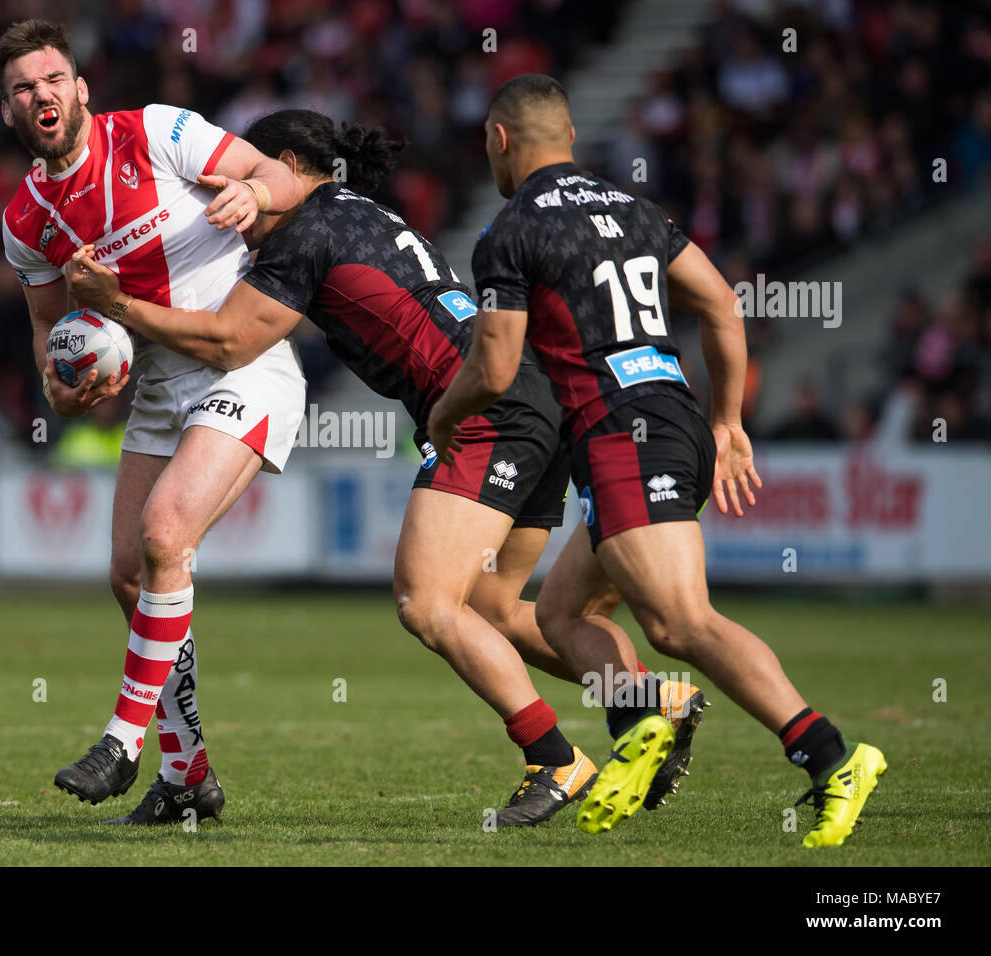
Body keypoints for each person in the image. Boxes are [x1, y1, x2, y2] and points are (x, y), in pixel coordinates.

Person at [68, 108, 705, 827]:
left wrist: (115, 302)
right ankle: (648, 700)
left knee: (425, 604)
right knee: (493, 610)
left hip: (482, 410)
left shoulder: (304, 229)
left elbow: (227, 343)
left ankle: (554, 758)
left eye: (249, 174)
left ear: (288, 163)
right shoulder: (350, 210)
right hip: (534, 401)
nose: (233, 197)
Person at [428, 74, 885, 846]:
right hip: (667, 417)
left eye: (488, 145)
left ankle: (830, 756)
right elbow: (720, 303)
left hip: (620, 432)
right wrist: (729, 417)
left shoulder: (508, 231)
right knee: (560, 613)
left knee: (680, 622)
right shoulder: (637, 210)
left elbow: (497, 369)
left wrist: (441, 415)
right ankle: (642, 717)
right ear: (571, 138)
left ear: (499, 141)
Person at [0, 18, 309, 825]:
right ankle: (189, 777)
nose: (42, 95)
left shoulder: (156, 133)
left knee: (167, 536)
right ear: (9, 113)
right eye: (24, 87)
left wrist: (255, 190)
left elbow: (273, 171)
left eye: (53, 78)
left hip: (246, 361)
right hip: (163, 384)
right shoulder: (26, 218)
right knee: (130, 577)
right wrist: (60, 386)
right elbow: (46, 330)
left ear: (81, 88)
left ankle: (123, 742)